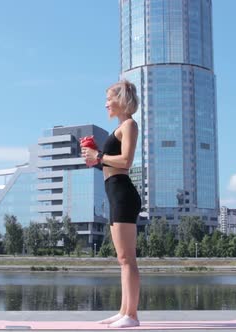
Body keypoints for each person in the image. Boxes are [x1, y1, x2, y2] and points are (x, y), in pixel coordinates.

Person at [81, 80, 142, 328]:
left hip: (123, 194)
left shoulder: (129, 125)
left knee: (128, 258)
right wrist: (96, 158)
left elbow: (126, 161)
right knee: (122, 258)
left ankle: (133, 316)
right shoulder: (119, 128)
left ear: (121, 99)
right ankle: (123, 311)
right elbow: (109, 162)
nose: (106, 103)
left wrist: (100, 156)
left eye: (109, 98)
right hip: (115, 193)